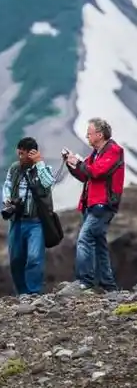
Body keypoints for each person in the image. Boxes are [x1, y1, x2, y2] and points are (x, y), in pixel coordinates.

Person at [61, 118, 124, 294]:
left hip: (102, 205)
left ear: (100, 134)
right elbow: (85, 175)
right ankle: (108, 285)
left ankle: (85, 281)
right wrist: (72, 164)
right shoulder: (96, 154)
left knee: (84, 239)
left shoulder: (113, 151)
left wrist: (80, 163)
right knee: (99, 243)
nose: (87, 136)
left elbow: (97, 172)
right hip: (92, 205)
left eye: (90, 133)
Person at [2, 137, 55, 296]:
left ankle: (34, 292)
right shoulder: (14, 168)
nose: (20, 157)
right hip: (16, 221)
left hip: (36, 222)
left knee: (34, 258)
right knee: (15, 259)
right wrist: (7, 200)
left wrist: (39, 163)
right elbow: (7, 185)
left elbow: (48, 183)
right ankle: (22, 292)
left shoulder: (43, 169)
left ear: (32, 153)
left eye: (23, 154)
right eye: (18, 153)